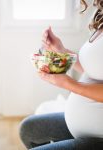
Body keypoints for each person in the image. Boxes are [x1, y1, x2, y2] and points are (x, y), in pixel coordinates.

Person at [19, 0, 103, 150]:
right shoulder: (100, 16)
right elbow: (94, 69)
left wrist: (69, 84)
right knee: (28, 130)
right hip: (84, 127)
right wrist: (60, 49)